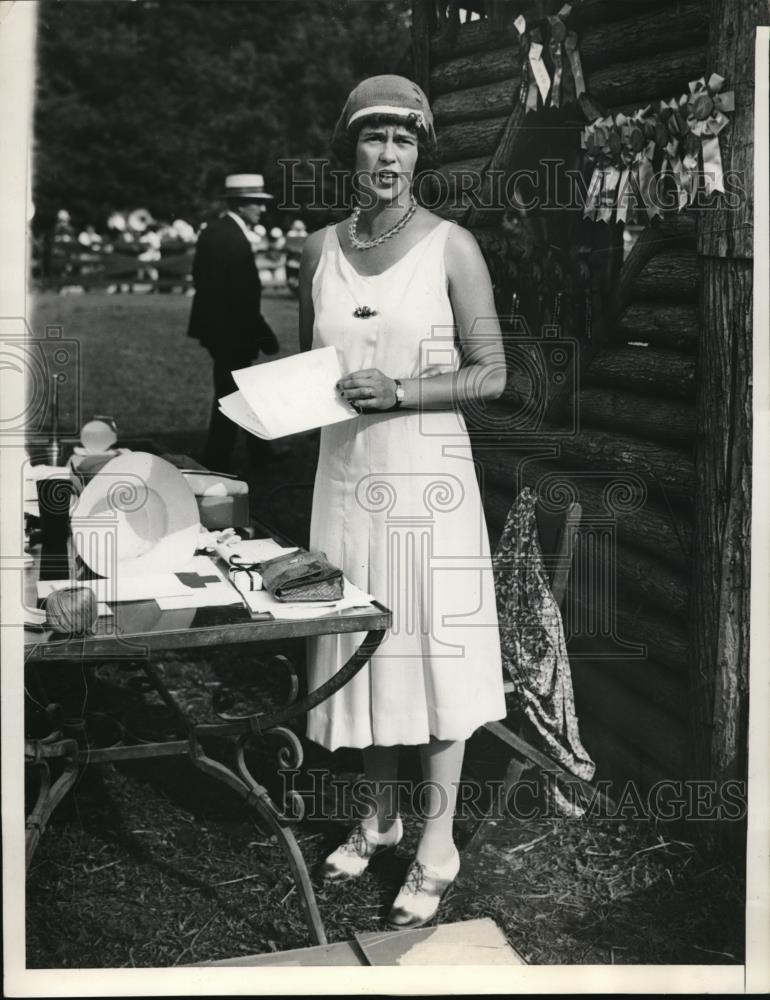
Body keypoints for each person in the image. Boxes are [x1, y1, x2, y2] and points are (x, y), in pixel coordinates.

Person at [298, 76, 508, 929]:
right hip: (344, 475)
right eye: (374, 140)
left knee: (431, 651)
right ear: (350, 150)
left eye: (405, 141)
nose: (389, 157)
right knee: (363, 643)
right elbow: (312, 368)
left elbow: (493, 374)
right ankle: (378, 815)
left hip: (426, 477)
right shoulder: (316, 248)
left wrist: (405, 391)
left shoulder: (452, 246)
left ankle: (437, 843)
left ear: (423, 152)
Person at [187, 173, 281, 472]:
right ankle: (218, 458)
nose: (261, 210)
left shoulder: (219, 232)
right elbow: (239, 295)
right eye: (256, 203)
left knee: (237, 390)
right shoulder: (229, 237)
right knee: (231, 394)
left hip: (222, 328)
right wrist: (263, 333)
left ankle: (257, 452)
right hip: (231, 330)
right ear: (241, 205)